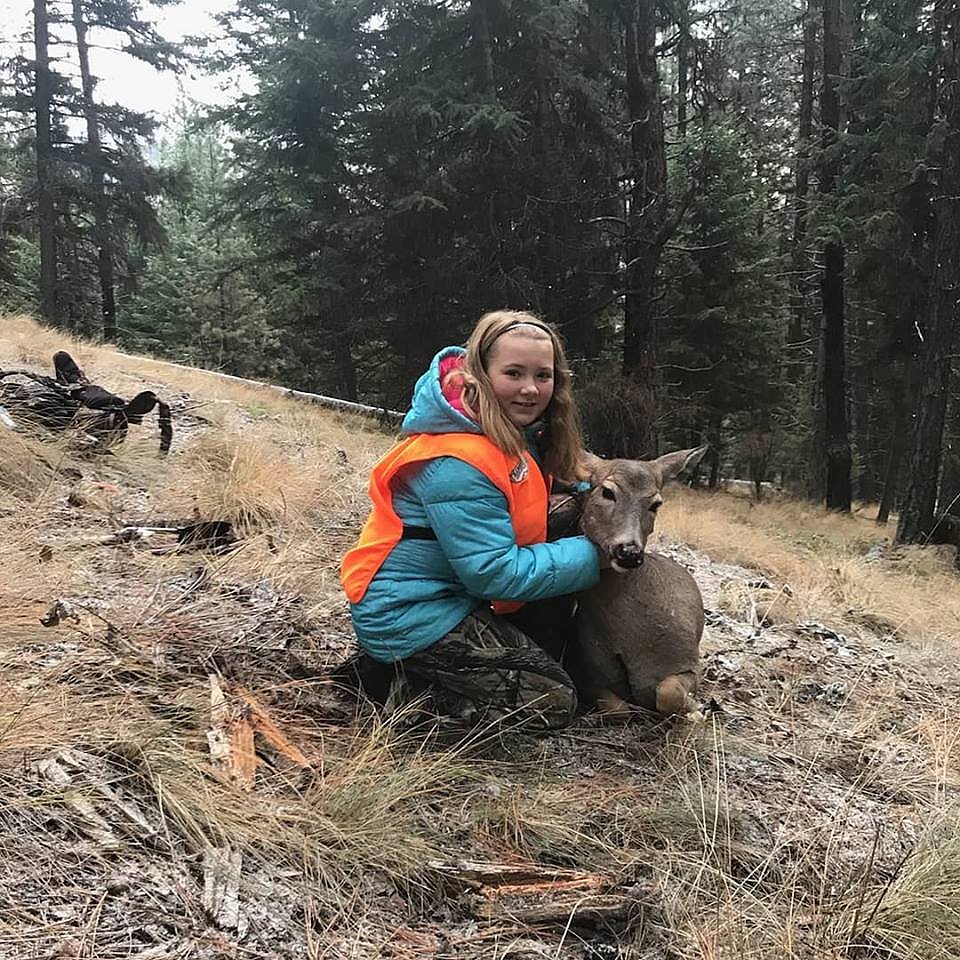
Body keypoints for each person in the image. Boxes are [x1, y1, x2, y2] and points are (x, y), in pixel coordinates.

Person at [340, 310, 602, 729]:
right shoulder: (459, 461)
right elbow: (495, 575)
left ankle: (403, 671)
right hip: (409, 612)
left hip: (449, 598)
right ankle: (401, 696)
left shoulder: (514, 436)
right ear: (480, 372)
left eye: (543, 375)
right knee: (552, 701)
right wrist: (595, 556)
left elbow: (531, 499)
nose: (531, 389)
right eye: (513, 373)